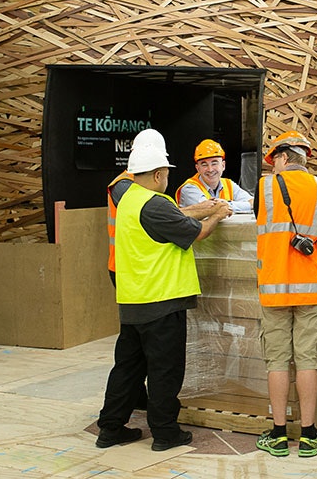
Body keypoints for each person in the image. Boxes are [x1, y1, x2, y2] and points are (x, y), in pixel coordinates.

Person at [95, 141, 231, 450]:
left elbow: (177, 214)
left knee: (127, 369)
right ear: (158, 174)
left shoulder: (128, 197)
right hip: (162, 301)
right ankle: (166, 433)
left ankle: (110, 428)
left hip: (132, 300)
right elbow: (196, 232)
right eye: (167, 173)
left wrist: (204, 209)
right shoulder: (155, 203)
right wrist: (218, 214)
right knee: (165, 371)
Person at [253, 131, 317, 458]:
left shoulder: (263, 188)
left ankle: (276, 434)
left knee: (276, 360)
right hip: (310, 287)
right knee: (307, 360)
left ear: (284, 157)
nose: (273, 167)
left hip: (273, 287)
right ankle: (308, 435)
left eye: (274, 161)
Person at [105, 129, 170, 414]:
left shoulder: (131, 185)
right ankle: (142, 406)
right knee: (137, 349)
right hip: (127, 270)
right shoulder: (123, 186)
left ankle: (132, 400)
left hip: (133, 269)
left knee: (134, 348)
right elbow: (154, 215)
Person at [175, 139, 254, 213]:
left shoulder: (228, 184)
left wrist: (225, 204)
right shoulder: (189, 189)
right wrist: (243, 205)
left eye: (214, 163)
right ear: (197, 168)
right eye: (204, 164)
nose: (210, 169)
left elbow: (253, 202)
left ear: (223, 165)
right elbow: (211, 209)